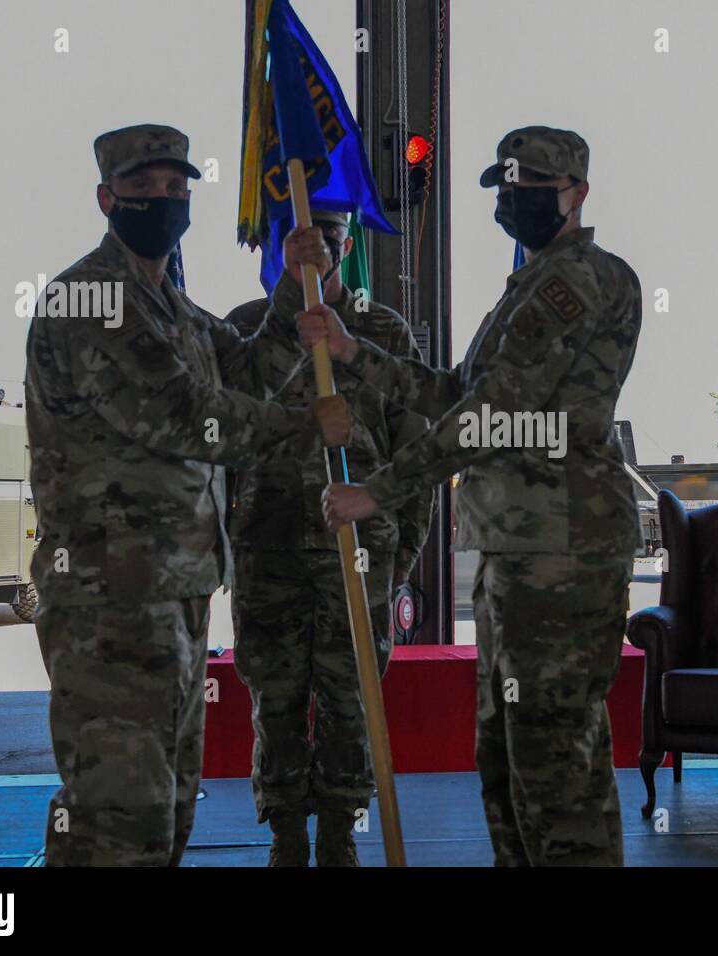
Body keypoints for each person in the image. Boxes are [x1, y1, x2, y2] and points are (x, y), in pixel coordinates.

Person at [300, 126, 643, 865]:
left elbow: (491, 415)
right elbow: (458, 392)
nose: (515, 200)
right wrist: (355, 353)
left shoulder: (574, 281)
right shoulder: (524, 291)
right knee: (507, 757)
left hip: (561, 549)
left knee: (553, 763)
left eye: (533, 188)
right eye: (507, 187)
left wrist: (378, 492)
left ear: (577, 193)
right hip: (516, 547)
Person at [25, 123, 349, 866]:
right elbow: (182, 417)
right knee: (115, 812)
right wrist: (308, 427)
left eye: (176, 190)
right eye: (143, 191)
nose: (162, 202)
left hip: (173, 589)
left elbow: (243, 370)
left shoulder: (167, 302)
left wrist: (296, 286)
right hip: (111, 596)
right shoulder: (91, 300)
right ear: (108, 199)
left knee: (165, 810)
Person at [223, 206, 434, 867]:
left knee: (352, 701)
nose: (322, 241)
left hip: (362, 548)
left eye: (335, 231)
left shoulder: (382, 330)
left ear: (350, 242)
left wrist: (403, 554)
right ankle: (285, 834)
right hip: (270, 544)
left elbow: (416, 452)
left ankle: (340, 831)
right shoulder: (245, 328)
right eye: (305, 230)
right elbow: (227, 427)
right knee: (276, 699)